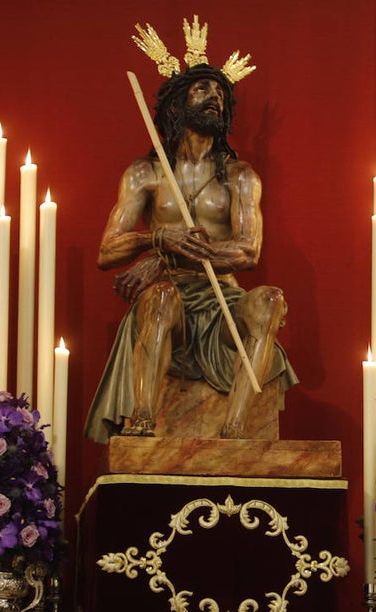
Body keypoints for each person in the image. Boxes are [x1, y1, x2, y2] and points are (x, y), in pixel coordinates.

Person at [84, 38, 296, 442]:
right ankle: (144, 420)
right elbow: (107, 249)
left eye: (220, 93)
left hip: (222, 297)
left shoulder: (240, 176)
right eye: (203, 90)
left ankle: (235, 428)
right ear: (178, 104)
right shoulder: (145, 173)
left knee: (269, 301)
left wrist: (175, 253)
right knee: (161, 299)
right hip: (171, 296)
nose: (214, 97)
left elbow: (248, 251)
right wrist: (160, 238)